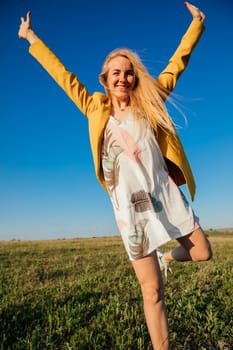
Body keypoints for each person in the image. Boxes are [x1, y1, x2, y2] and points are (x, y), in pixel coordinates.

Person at [18, 2, 212, 349]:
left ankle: (168, 258)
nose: (123, 77)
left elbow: (174, 67)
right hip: (130, 212)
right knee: (152, 292)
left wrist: (196, 25)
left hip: (165, 196)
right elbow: (63, 76)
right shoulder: (95, 108)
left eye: (128, 72)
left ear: (134, 77)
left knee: (203, 254)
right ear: (105, 81)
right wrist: (31, 37)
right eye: (115, 73)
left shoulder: (149, 101)